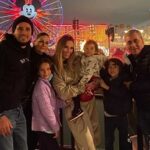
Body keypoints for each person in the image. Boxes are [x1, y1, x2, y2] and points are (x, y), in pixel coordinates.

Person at [53, 34, 96, 150]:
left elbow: (92, 63)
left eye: (71, 48)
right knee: (87, 144)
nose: (69, 51)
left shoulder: (76, 60)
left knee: (90, 140)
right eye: (66, 47)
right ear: (60, 47)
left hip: (84, 104)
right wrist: (80, 88)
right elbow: (63, 93)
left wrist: (91, 83)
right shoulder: (55, 66)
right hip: (72, 108)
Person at [0, 15, 33, 150]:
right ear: (13, 31)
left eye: (27, 29)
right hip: (5, 113)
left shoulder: (27, 50)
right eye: (20, 29)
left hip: (19, 110)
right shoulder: (3, 49)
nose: (24, 32)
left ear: (31, 33)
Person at [23, 32, 51, 150]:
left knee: (39, 134)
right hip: (27, 100)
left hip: (41, 100)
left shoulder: (47, 59)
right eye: (41, 41)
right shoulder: (26, 55)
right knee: (28, 133)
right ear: (34, 41)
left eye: (46, 42)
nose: (43, 44)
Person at [124, 29, 150, 150]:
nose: (133, 45)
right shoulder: (131, 60)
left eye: (136, 41)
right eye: (129, 42)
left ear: (142, 41)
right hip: (142, 107)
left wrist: (132, 86)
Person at [100, 58, 132, 150]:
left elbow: (121, 94)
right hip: (108, 115)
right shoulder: (106, 77)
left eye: (115, 67)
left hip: (122, 116)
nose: (112, 69)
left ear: (120, 68)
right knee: (108, 141)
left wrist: (106, 87)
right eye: (109, 67)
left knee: (125, 141)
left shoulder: (125, 80)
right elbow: (101, 71)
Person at [32, 58, 62, 150]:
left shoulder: (46, 84)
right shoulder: (41, 86)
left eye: (48, 69)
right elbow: (47, 110)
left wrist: (65, 102)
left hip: (45, 126)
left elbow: (53, 102)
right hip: (45, 127)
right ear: (38, 72)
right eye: (42, 70)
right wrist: (55, 127)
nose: (46, 73)